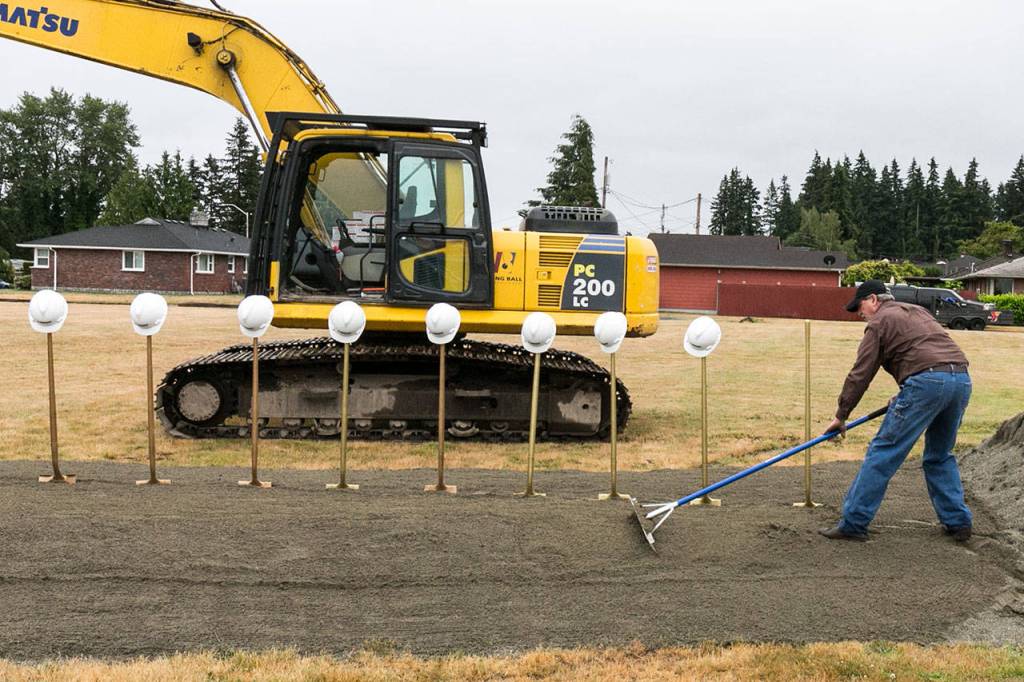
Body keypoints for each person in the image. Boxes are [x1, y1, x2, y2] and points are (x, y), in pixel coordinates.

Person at [820, 280, 974, 543]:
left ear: (872, 300)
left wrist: (841, 415)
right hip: (960, 379)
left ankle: (854, 523)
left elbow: (861, 374)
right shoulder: (917, 311)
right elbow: (926, 351)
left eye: (860, 309)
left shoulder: (879, 322)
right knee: (939, 455)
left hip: (926, 383)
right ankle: (958, 523)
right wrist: (909, 390)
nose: (861, 315)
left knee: (883, 452)